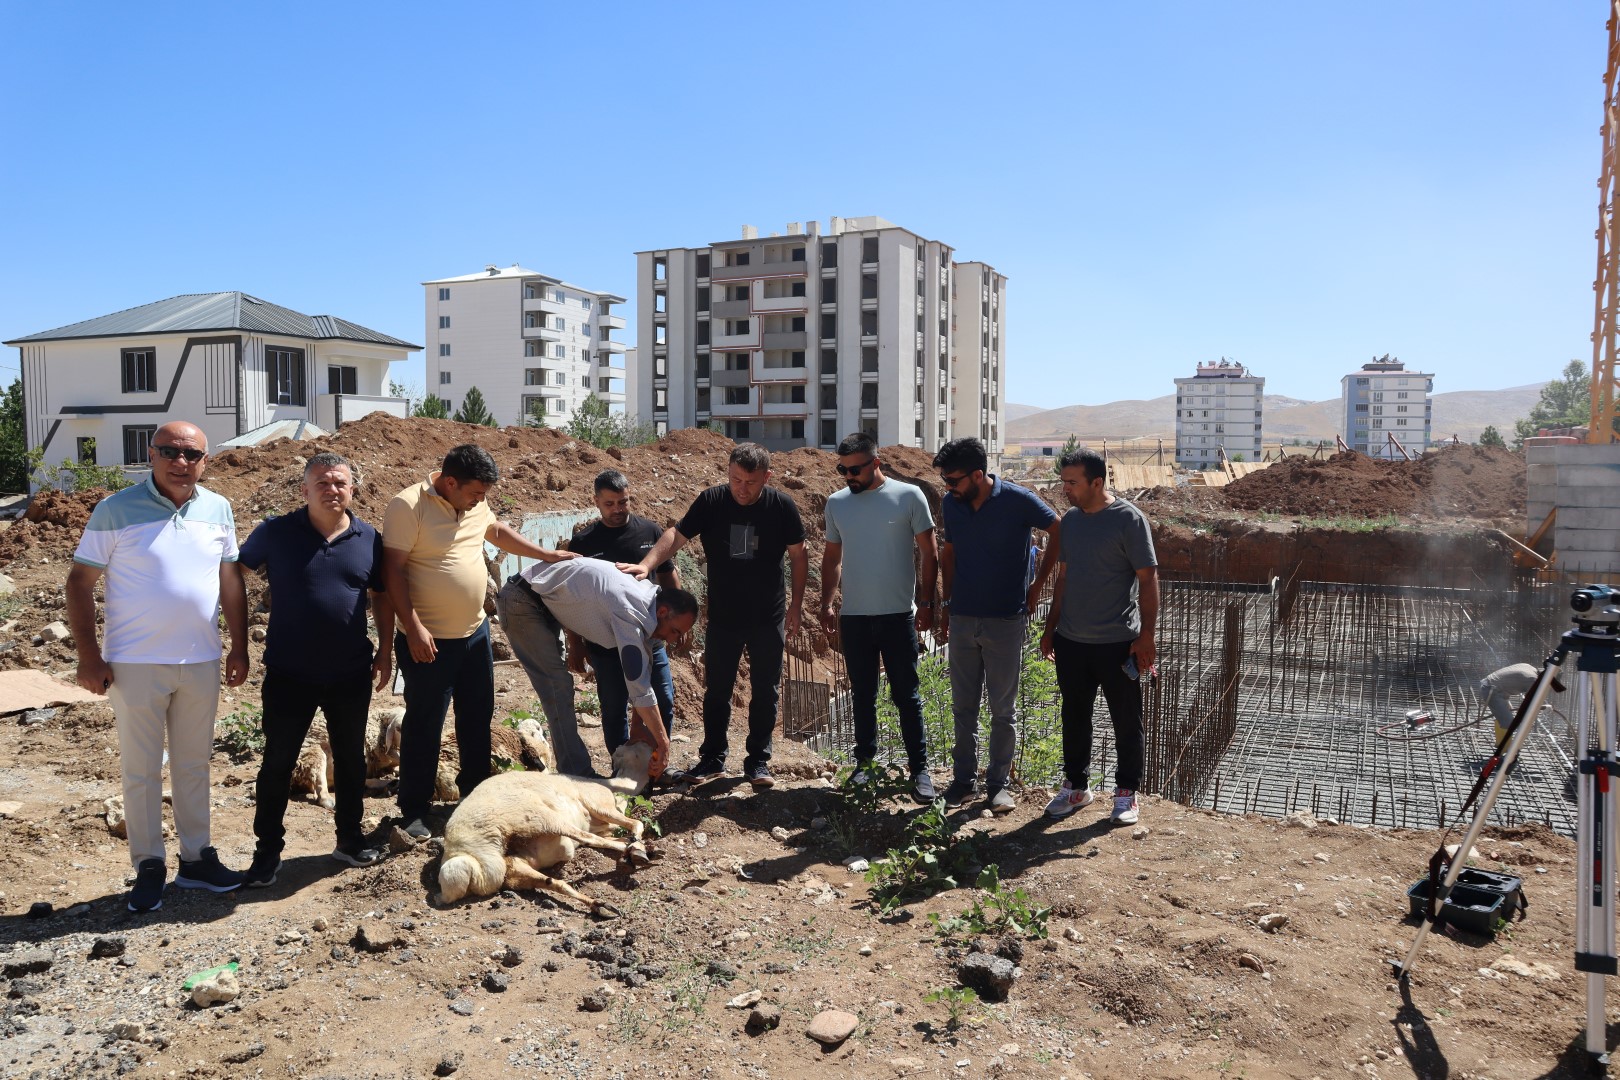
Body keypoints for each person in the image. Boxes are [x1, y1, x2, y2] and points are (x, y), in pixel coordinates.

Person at [65, 421, 248, 912]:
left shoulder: (219, 508)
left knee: (193, 765)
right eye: (170, 451)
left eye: (192, 454)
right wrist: (88, 654)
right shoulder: (114, 509)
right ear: (152, 453)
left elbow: (230, 581)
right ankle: (148, 864)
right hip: (135, 664)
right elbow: (79, 582)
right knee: (141, 770)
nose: (180, 461)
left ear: (206, 460)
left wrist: (239, 646)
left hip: (202, 659)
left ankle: (196, 860)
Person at [383, 443, 575, 840]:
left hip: (474, 634)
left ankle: (472, 797)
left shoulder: (472, 503)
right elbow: (394, 574)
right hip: (428, 640)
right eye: (475, 493)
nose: (479, 502)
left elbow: (497, 531)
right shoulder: (407, 506)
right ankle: (415, 809)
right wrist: (414, 626)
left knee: (476, 719)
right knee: (425, 725)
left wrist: (543, 554)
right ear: (450, 482)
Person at [237, 453, 395, 886]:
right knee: (277, 761)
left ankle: (349, 840)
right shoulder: (276, 532)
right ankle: (267, 852)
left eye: (340, 482)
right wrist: (236, 641)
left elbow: (381, 595)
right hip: (290, 672)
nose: (332, 489)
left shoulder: (368, 538)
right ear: (304, 490)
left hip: (349, 671)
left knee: (348, 759)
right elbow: (234, 570)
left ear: (352, 489)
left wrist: (385, 648)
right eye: (322, 483)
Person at [636, 443, 807, 788]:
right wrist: (646, 565)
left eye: (751, 482)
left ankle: (758, 762)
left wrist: (796, 606)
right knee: (717, 690)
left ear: (767, 477)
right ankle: (712, 758)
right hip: (725, 616)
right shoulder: (712, 501)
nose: (742, 489)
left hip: (768, 616)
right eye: (735, 479)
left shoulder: (781, 506)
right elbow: (676, 534)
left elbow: (799, 556)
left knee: (766, 690)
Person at [934, 437, 1062, 814]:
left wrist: (1038, 584)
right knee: (963, 707)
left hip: (1006, 619)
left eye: (953, 480)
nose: (948, 488)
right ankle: (962, 782)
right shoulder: (951, 503)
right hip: (963, 618)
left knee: (1003, 710)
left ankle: (998, 785)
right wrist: (945, 606)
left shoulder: (1018, 500)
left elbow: (1059, 528)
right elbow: (951, 552)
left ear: (977, 475)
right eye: (944, 481)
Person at [1040, 447, 1159, 826]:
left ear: (1097, 481)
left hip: (1116, 642)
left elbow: (1148, 579)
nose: (1065, 490)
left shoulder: (1129, 520)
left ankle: (1126, 794)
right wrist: (1050, 627)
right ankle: (1077, 787)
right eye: (1063, 482)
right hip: (1071, 641)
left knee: (1126, 720)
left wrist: (1146, 637)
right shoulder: (1071, 521)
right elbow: (1064, 576)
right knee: (1074, 716)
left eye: (1072, 483)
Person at [818, 432, 939, 800]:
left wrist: (929, 603)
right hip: (855, 618)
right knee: (863, 695)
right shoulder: (837, 504)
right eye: (843, 469)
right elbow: (832, 559)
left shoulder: (909, 496)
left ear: (876, 463)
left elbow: (929, 554)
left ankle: (920, 773)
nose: (848, 476)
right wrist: (826, 603)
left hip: (898, 616)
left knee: (907, 696)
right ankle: (865, 767)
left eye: (855, 469)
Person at [497, 557, 698, 778]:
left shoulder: (648, 603)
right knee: (557, 687)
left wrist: (640, 729)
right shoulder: (630, 608)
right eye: (675, 631)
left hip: (544, 601)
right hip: (523, 601)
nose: (670, 640)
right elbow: (637, 682)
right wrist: (664, 742)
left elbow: (644, 672)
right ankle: (577, 775)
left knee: (559, 688)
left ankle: (574, 771)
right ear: (663, 612)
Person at [563, 470, 679, 762]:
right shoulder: (583, 543)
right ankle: (621, 767)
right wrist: (575, 644)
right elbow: (572, 600)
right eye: (610, 504)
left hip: (650, 641)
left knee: (662, 700)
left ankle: (656, 765)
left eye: (623, 502)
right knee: (614, 708)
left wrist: (677, 622)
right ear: (596, 502)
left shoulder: (649, 532)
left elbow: (667, 577)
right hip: (605, 644)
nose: (617, 510)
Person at [1480, 662, 1541, 746]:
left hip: (1493, 687)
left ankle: (1500, 743)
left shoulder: (1529, 667)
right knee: (1508, 722)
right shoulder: (1532, 679)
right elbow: (1531, 702)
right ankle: (1503, 748)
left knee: (1504, 717)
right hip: (1492, 690)